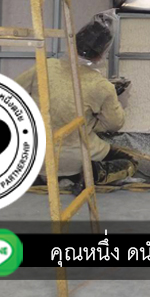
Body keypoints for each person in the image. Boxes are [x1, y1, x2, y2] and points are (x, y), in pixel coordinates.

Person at [15, 11, 137, 186]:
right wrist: (101, 115)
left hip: (35, 154)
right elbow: (114, 124)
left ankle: (40, 176)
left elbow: (14, 92)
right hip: (77, 159)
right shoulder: (102, 86)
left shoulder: (45, 66)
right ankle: (94, 175)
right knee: (130, 162)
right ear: (102, 54)